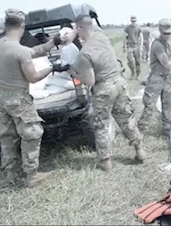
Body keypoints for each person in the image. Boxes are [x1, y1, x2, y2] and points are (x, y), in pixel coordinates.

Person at [0, 9, 70, 187]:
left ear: (5, 26)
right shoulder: (20, 51)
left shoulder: (1, 45)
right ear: (22, 26)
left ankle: (11, 175)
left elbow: (30, 52)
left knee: (7, 136)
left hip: (2, 99)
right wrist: (52, 68)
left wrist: (52, 43)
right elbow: (33, 77)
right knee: (32, 134)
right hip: (19, 99)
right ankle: (31, 175)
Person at [67, 14, 146, 171]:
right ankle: (140, 150)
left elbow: (89, 80)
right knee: (126, 119)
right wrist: (77, 30)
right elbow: (90, 26)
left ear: (80, 28)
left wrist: (75, 74)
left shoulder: (85, 53)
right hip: (119, 83)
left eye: (77, 28)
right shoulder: (102, 37)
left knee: (101, 125)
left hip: (104, 88)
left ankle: (105, 162)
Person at [123, 15, 142, 79]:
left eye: (134, 21)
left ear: (136, 21)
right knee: (130, 60)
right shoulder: (127, 28)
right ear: (131, 21)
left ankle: (138, 74)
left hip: (136, 46)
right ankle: (133, 72)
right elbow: (124, 37)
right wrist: (124, 46)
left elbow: (141, 37)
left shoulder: (139, 27)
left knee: (137, 61)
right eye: (132, 21)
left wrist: (141, 46)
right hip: (129, 46)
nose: (133, 22)